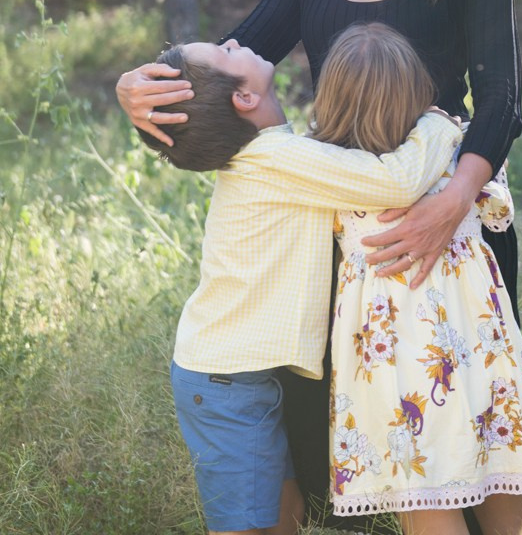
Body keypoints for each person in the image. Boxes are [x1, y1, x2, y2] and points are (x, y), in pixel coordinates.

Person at [116, 0, 522, 515]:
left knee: (478, 427)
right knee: (370, 436)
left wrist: (449, 204)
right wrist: (132, 88)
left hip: (454, 225)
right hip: (354, 237)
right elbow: (226, 75)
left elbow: (501, 102)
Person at [139, 34, 460, 535]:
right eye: (226, 52)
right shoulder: (274, 157)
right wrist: (438, 124)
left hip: (236, 378)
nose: (235, 39)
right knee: (245, 527)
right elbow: (395, 181)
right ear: (244, 97)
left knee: (282, 515)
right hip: (223, 381)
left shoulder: (277, 150)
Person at [312, 23, 522, 534]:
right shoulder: (457, 154)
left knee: (422, 490)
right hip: (477, 347)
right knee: (502, 479)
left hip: (393, 364)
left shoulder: (329, 175)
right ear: (417, 92)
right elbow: (498, 214)